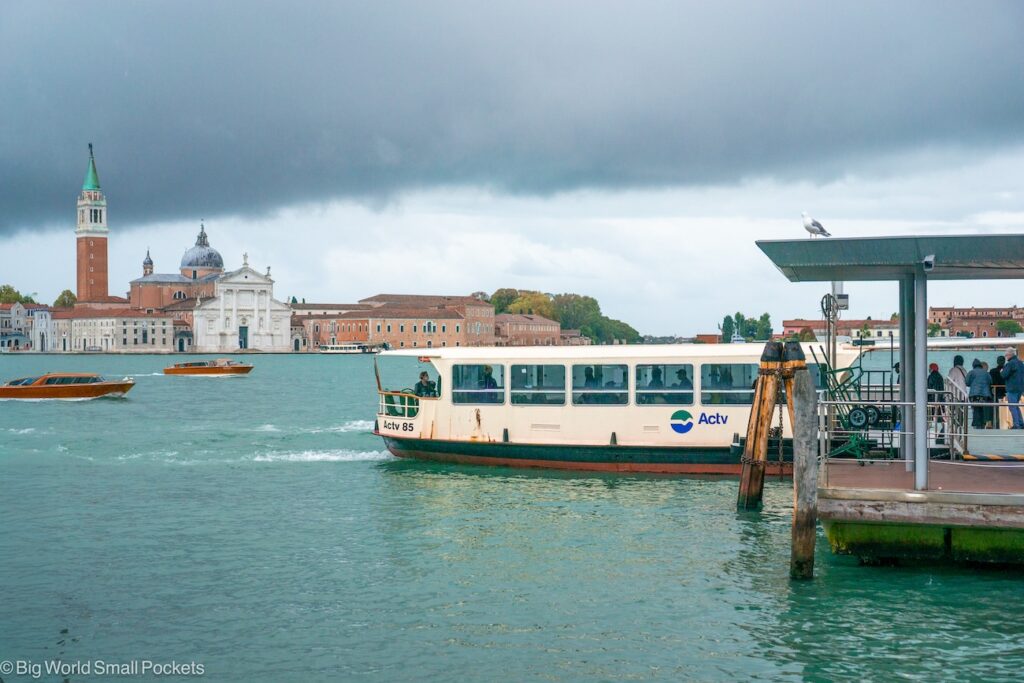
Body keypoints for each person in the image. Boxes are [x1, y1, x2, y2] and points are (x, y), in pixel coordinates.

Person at [965, 358, 993, 429]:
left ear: (973, 365)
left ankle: (977, 426)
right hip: (985, 395)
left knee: (976, 409)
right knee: (983, 410)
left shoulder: (971, 372)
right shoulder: (986, 372)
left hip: (974, 395)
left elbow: (967, 382)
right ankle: (982, 425)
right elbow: (990, 382)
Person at [1001, 348, 1024, 429]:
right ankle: (1021, 423)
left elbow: (1004, 375)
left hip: (1012, 388)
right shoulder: (1021, 363)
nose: (1005, 357)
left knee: (1012, 406)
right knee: (1016, 405)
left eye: (1006, 355)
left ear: (1010, 355)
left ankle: (1017, 424)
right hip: (1020, 388)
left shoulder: (1010, 364)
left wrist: (1002, 371)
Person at [990, 356, 1007, 430]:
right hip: (1005, 392)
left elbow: (991, 381)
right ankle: (1004, 424)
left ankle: (996, 424)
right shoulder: (1007, 370)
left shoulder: (993, 371)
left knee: (996, 409)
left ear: (997, 362)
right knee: (1006, 409)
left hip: (995, 392)